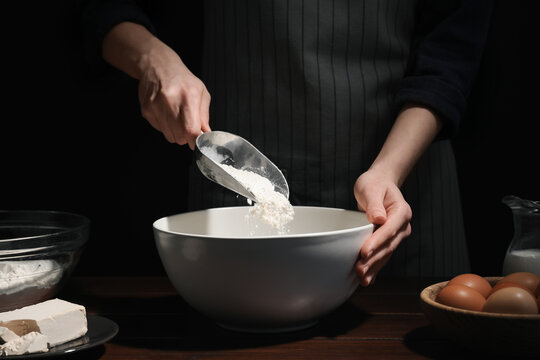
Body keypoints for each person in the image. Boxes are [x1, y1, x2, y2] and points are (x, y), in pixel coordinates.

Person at [82, 0, 493, 286]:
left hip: (400, 185)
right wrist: (154, 60)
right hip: (235, 179)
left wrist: (389, 171)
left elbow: (450, 52)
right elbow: (99, 7)